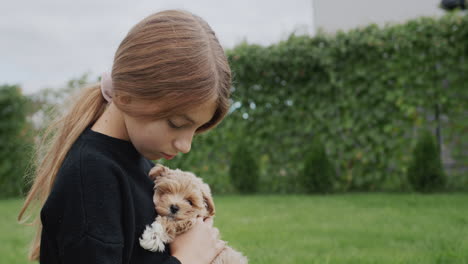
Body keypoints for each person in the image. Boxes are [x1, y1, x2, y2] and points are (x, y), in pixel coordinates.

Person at [17, 9, 232, 264]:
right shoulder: (91, 177)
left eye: (196, 129)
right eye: (176, 123)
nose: (185, 145)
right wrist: (188, 259)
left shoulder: (143, 166)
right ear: (126, 96)